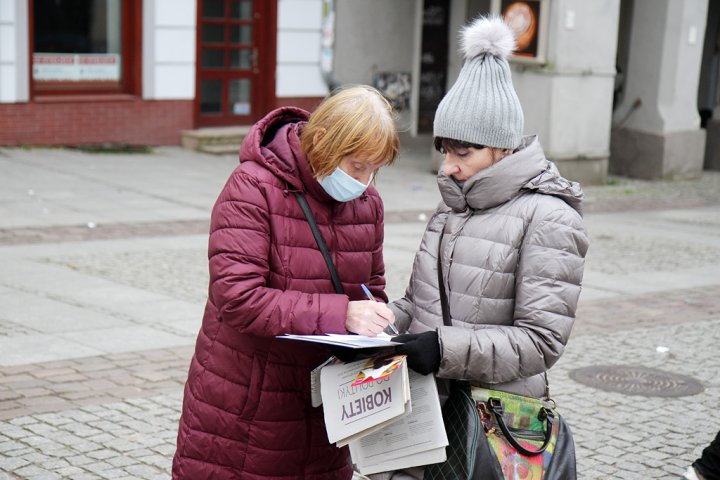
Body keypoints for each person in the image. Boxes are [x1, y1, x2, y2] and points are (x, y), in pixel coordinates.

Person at [381, 16, 589, 478]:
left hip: (494, 430)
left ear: (502, 148)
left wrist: (442, 348)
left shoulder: (550, 217)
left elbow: (541, 340)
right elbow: (421, 304)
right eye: (444, 150)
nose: (448, 166)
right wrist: (381, 325)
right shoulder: (450, 208)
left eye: (463, 152)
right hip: (425, 418)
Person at [172, 85, 399, 479]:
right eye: (358, 165)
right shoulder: (252, 187)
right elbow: (238, 297)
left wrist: (377, 325)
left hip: (327, 403)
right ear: (323, 141)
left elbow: (371, 288)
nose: (366, 180)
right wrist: (342, 314)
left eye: (375, 168)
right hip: (250, 401)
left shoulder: (368, 204)